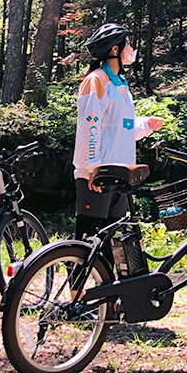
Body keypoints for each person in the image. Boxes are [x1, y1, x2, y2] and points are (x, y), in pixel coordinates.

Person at [73, 23, 164, 248]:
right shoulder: (96, 80)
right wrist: (92, 168)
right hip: (96, 176)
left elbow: (121, 128)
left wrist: (146, 125)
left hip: (118, 175)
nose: (131, 49)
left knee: (112, 248)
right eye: (128, 44)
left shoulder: (121, 84)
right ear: (115, 50)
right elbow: (90, 126)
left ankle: (105, 284)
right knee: (88, 244)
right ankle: (77, 284)